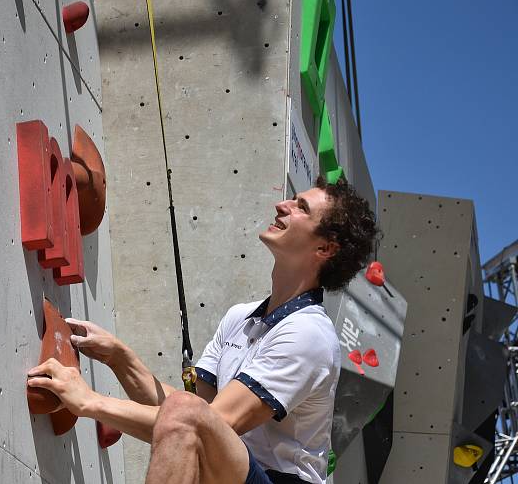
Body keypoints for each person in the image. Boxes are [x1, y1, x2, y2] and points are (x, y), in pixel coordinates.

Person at [27, 177, 379, 484]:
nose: (281, 204)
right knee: (186, 412)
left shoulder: (309, 334)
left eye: (300, 206)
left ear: (325, 247)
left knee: (189, 414)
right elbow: (182, 421)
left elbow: (208, 420)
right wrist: (121, 359)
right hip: (233, 471)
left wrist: (90, 402)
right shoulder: (241, 317)